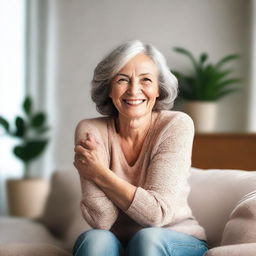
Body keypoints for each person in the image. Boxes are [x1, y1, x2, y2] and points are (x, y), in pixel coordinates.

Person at [73, 40, 208, 256]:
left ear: (158, 89)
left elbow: (156, 215)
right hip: (115, 242)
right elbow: (102, 220)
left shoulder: (176, 124)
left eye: (146, 80)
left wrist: (98, 173)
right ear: (108, 89)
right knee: (95, 240)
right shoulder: (91, 130)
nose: (134, 90)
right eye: (122, 80)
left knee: (147, 239)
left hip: (173, 239)